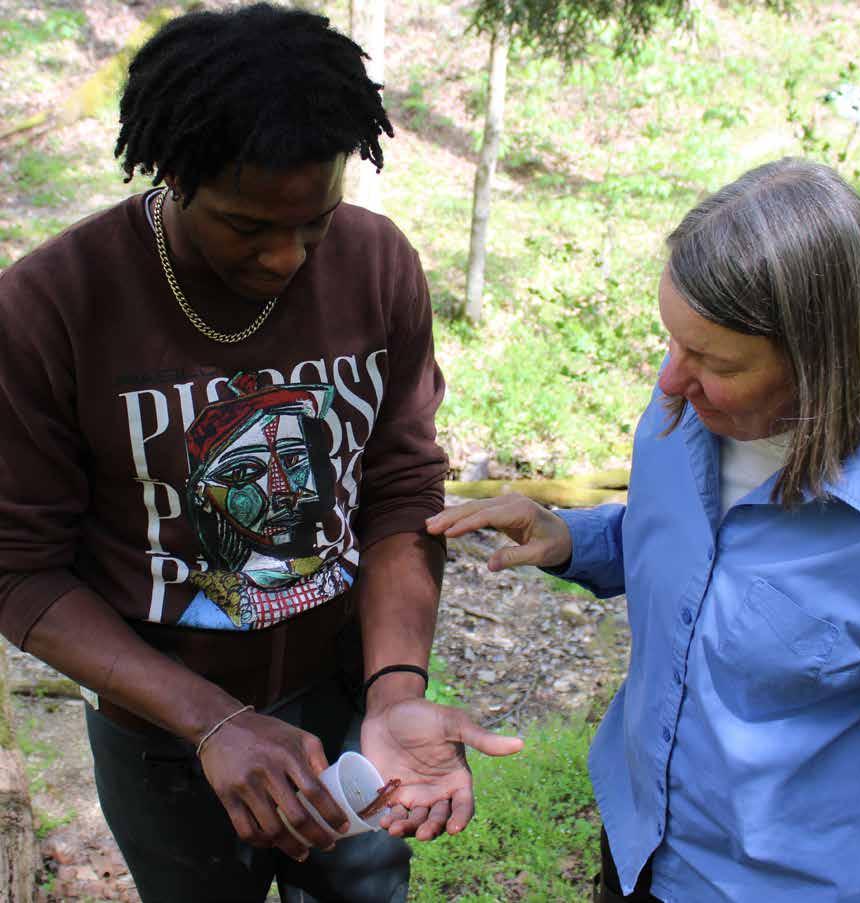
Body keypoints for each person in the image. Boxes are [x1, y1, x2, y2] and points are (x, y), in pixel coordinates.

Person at [0, 4, 521, 901]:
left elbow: (400, 487)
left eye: (315, 221)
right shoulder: (55, 307)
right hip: (162, 724)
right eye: (247, 228)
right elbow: (19, 571)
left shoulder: (375, 266)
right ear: (175, 175)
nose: (286, 258)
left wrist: (395, 691)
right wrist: (213, 723)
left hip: (345, 693)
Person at [428, 158, 860, 902]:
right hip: (643, 846)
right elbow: (696, 554)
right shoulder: (686, 414)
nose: (670, 380)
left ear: (822, 361)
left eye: (714, 360)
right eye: (672, 342)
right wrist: (573, 539)